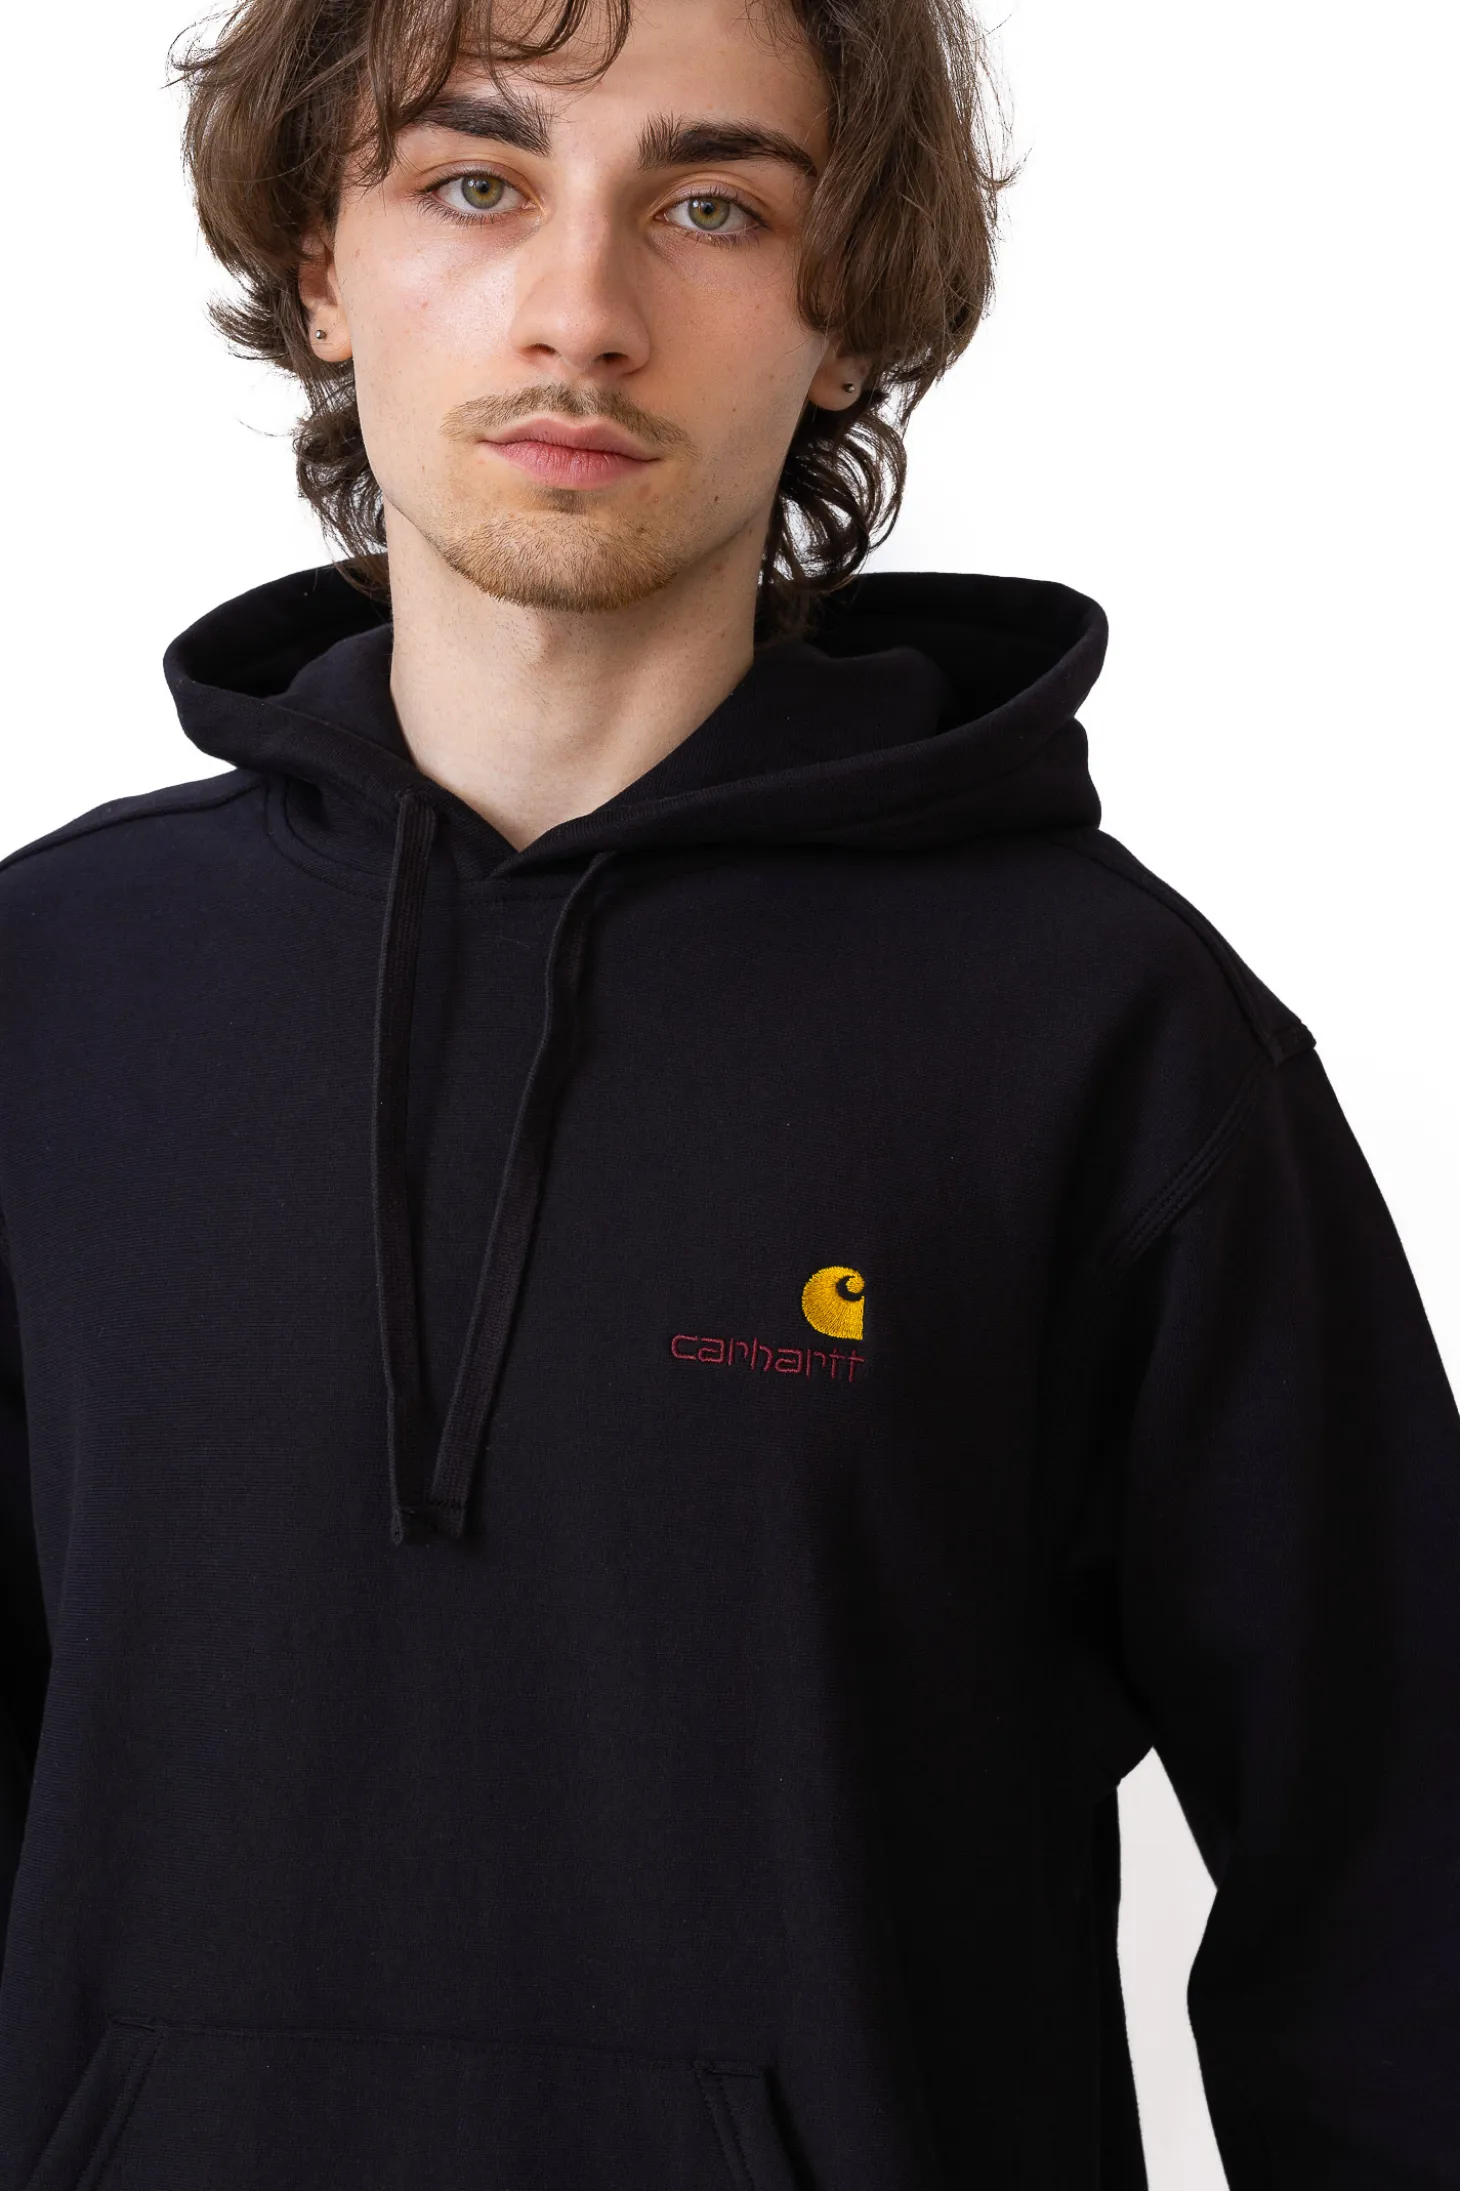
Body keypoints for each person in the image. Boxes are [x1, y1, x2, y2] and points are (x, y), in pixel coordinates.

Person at [1, 0, 1457, 2182]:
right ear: (322, 267)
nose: (579, 311)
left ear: (846, 314)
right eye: (474, 184)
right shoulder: (51, 991)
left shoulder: (1108, 1034)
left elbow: (1398, 1896)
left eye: (709, 207)